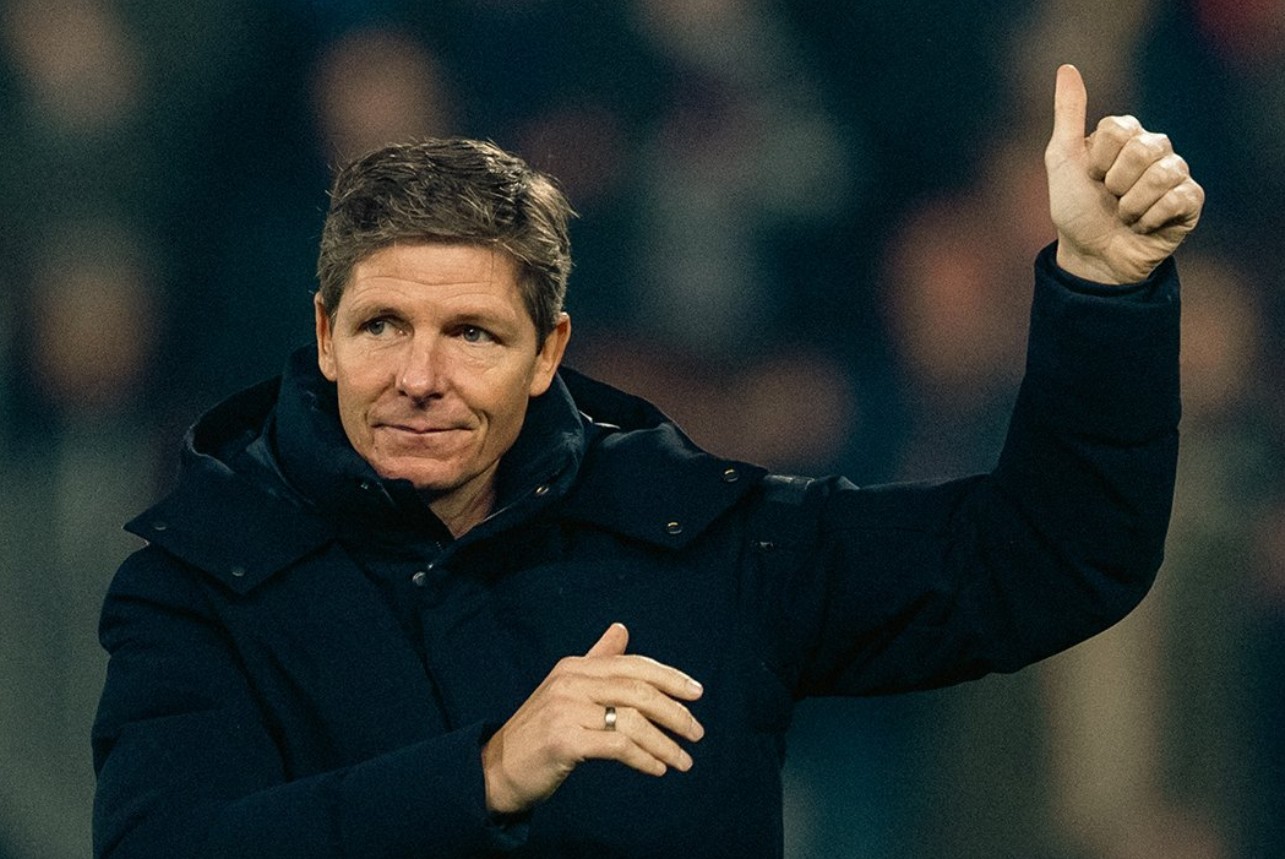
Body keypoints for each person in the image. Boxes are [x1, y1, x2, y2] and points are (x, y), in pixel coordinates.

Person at [91, 65, 1203, 857]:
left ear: (547, 353)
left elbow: (1046, 558)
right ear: (325, 333)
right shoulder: (200, 581)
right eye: (384, 326)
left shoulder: (703, 538)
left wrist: (1103, 294)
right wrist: (485, 774)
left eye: (472, 334)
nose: (420, 376)